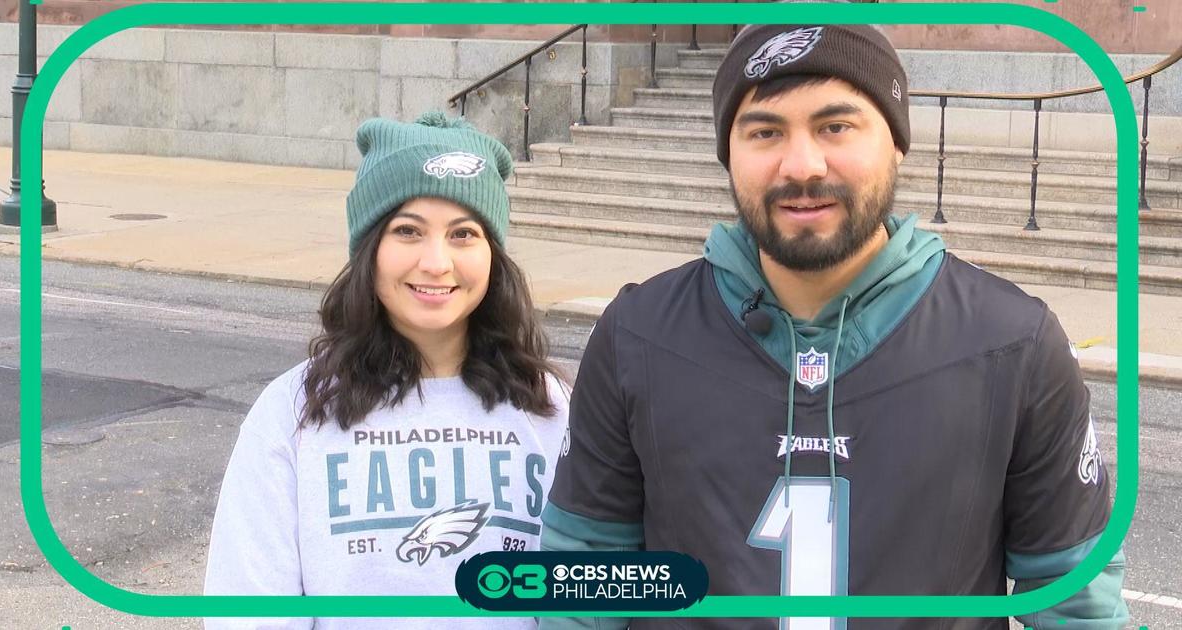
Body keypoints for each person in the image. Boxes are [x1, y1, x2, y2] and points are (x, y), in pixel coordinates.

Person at [539, 22, 1128, 630]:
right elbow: (584, 582)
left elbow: (1076, 604)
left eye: (836, 127)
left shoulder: (1014, 344)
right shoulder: (638, 335)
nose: (802, 165)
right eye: (765, 131)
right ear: (729, 152)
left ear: (896, 141)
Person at [204, 111, 569, 629]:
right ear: (369, 249)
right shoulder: (293, 414)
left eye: (464, 234)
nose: (437, 262)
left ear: (493, 255)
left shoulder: (548, 407)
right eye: (408, 231)